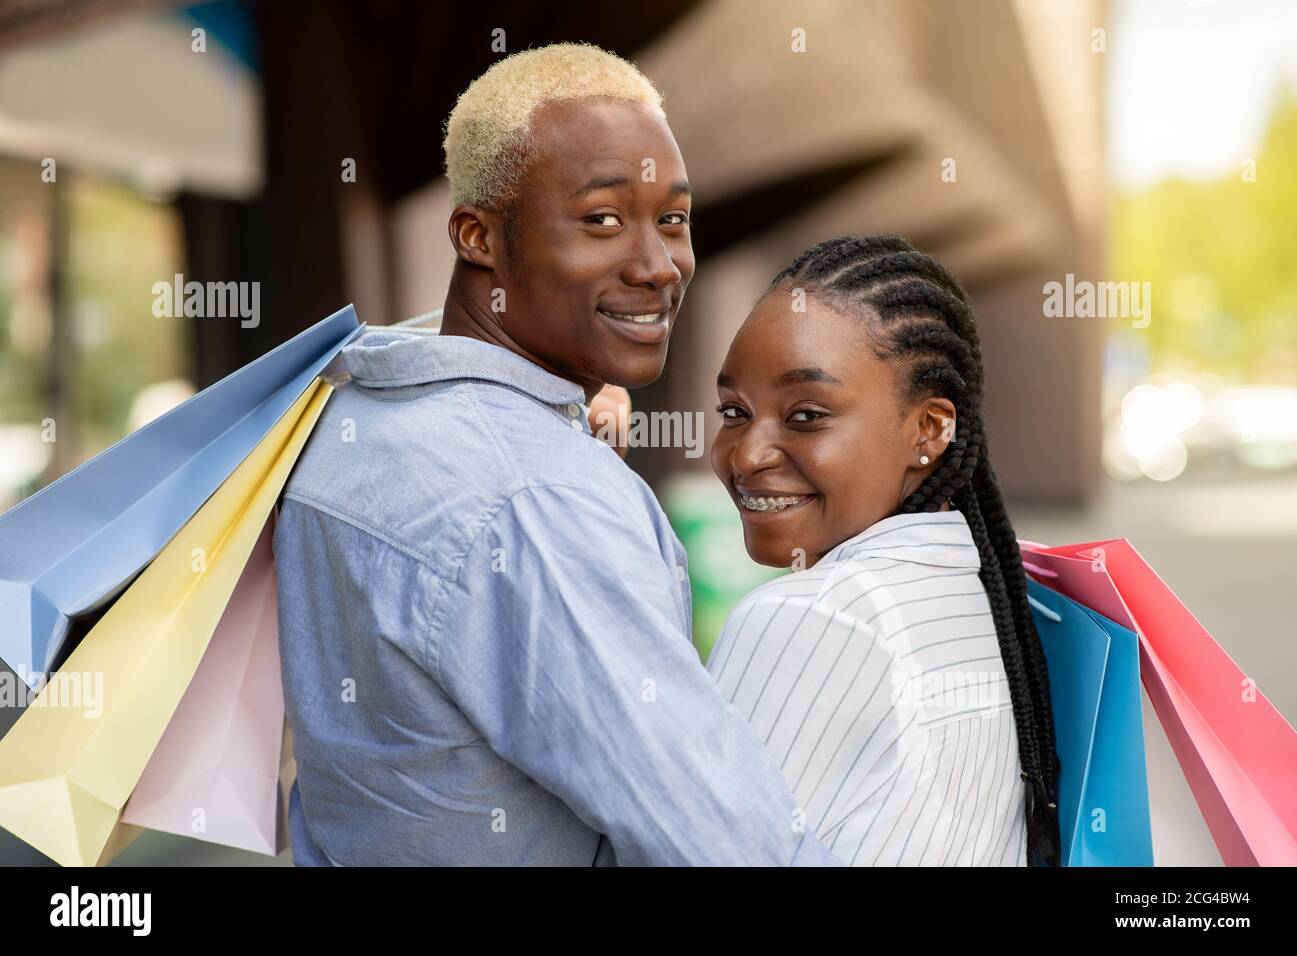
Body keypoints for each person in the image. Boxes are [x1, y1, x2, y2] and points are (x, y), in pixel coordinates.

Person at [273, 42, 840, 866]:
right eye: (602, 219)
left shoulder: (348, 414)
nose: (657, 266)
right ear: (479, 238)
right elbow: (727, 844)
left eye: (672, 219)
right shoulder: (537, 500)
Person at [706, 235, 1062, 866]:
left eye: (807, 415)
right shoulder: (986, 596)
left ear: (927, 430)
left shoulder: (813, 617)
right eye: (735, 410)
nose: (746, 455)